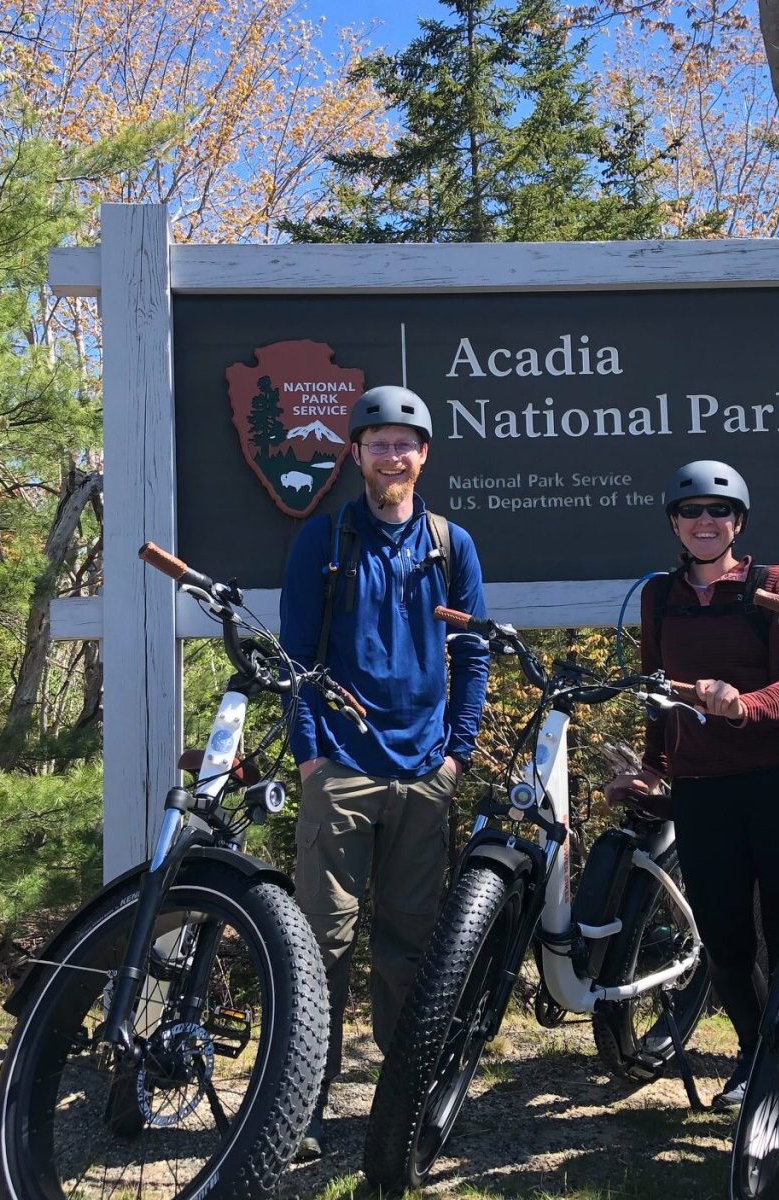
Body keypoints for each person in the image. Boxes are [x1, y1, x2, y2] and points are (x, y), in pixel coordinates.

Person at [279, 384, 489, 1157]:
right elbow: (295, 659)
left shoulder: (451, 544)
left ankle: (400, 1104)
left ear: (423, 454)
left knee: (410, 948)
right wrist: (311, 760)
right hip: (340, 771)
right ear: (356, 455)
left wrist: (456, 754)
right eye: (378, 445)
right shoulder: (324, 540)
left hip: (423, 773)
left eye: (404, 444)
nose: (391, 456)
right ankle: (303, 1104)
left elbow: (473, 653)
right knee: (320, 947)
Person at [604, 460, 779, 1109]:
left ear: (738, 521)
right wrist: (653, 766)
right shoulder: (659, 596)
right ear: (674, 523)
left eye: (719, 510)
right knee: (724, 935)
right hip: (704, 785)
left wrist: (742, 706)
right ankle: (755, 1051)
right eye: (691, 511)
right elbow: (658, 692)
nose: (705, 521)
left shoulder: (776, 585)